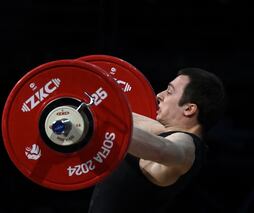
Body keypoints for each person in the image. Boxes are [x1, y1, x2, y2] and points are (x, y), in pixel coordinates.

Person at [88, 67, 226, 213]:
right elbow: (122, 117)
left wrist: (93, 122)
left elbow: (163, 149)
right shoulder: (162, 131)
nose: (159, 95)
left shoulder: (188, 145)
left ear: (189, 109)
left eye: (169, 91)